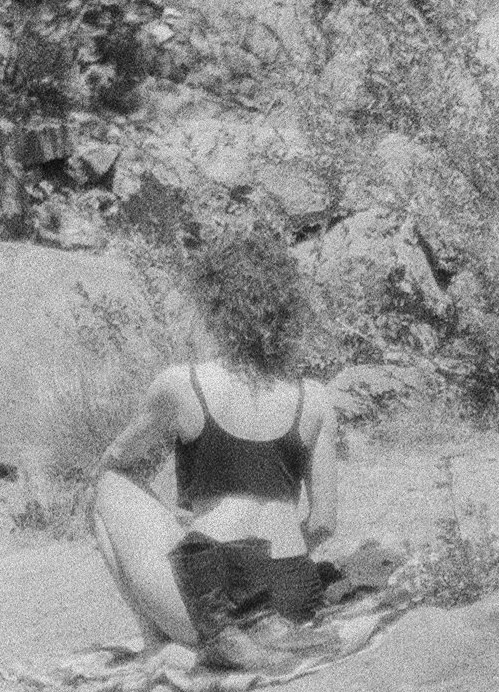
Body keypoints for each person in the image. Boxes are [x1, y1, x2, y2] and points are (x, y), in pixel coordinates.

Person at [92, 226, 339, 663]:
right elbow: (322, 523)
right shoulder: (315, 398)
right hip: (296, 593)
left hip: (215, 596)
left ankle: (159, 643)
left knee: (108, 485)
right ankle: (252, 627)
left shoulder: (181, 385)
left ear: (214, 309)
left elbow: (117, 458)